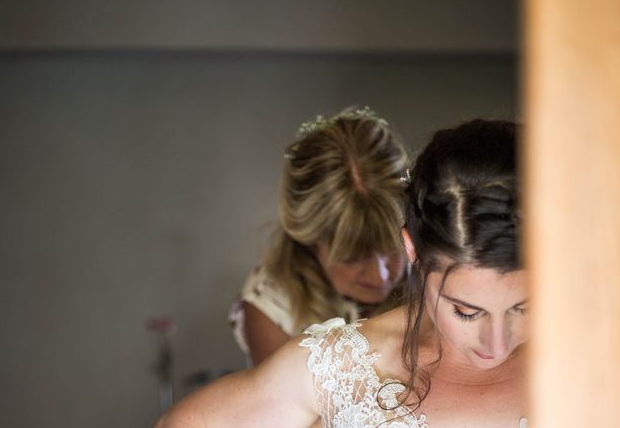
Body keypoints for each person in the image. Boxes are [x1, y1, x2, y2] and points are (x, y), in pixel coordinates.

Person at [156, 119, 527, 428]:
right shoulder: (342, 365)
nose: (496, 345)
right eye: (466, 311)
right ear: (414, 250)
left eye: (524, 307)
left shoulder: (583, 350)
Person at [229, 106, 411, 365]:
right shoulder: (271, 307)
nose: (380, 275)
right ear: (312, 241)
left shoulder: (436, 277)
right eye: (353, 256)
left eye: (393, 247)